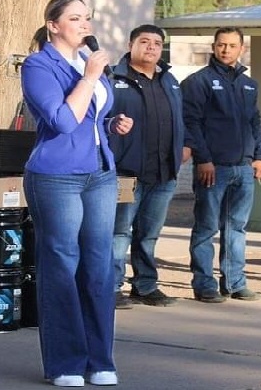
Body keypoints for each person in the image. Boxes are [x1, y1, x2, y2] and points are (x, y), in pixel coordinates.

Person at [21, 0, 133, 387]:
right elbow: (63, 121)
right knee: (62, 265)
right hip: (56, 177)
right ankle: (65, 363)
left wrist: (113, 122)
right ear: (53, 25)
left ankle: (99, 359)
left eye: (87, 17)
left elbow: (91, 115)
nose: (85, 24)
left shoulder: (88, 62)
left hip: (100, 174)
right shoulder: (39, 65)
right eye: (75, 18)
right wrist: (88, 78)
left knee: (100, 266)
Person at [182, 27, 261, 303]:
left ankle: (234, 282)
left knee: (236, 228)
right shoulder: (199, 82)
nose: (226, 50)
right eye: (221, 45)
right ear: (214, 47)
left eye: (232, 46)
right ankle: (204, 284)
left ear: (241, 49)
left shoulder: (248, 84)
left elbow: (254, 122)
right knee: (206, 227)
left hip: (243, 168)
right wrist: (203, 159)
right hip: (213, 168)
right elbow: (191, 123)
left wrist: (260, 156)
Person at [108, 24, 185, 309]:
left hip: (163, 173)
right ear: (131, 45)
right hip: (126, 172)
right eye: (145, 41)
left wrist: (182, 149)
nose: (151, 47)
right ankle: (112, 287)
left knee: (149, 234)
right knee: (118, 232)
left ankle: (145, 285)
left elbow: (181, 117)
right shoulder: (114, 78)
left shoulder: (170, 80)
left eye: (156, 43)